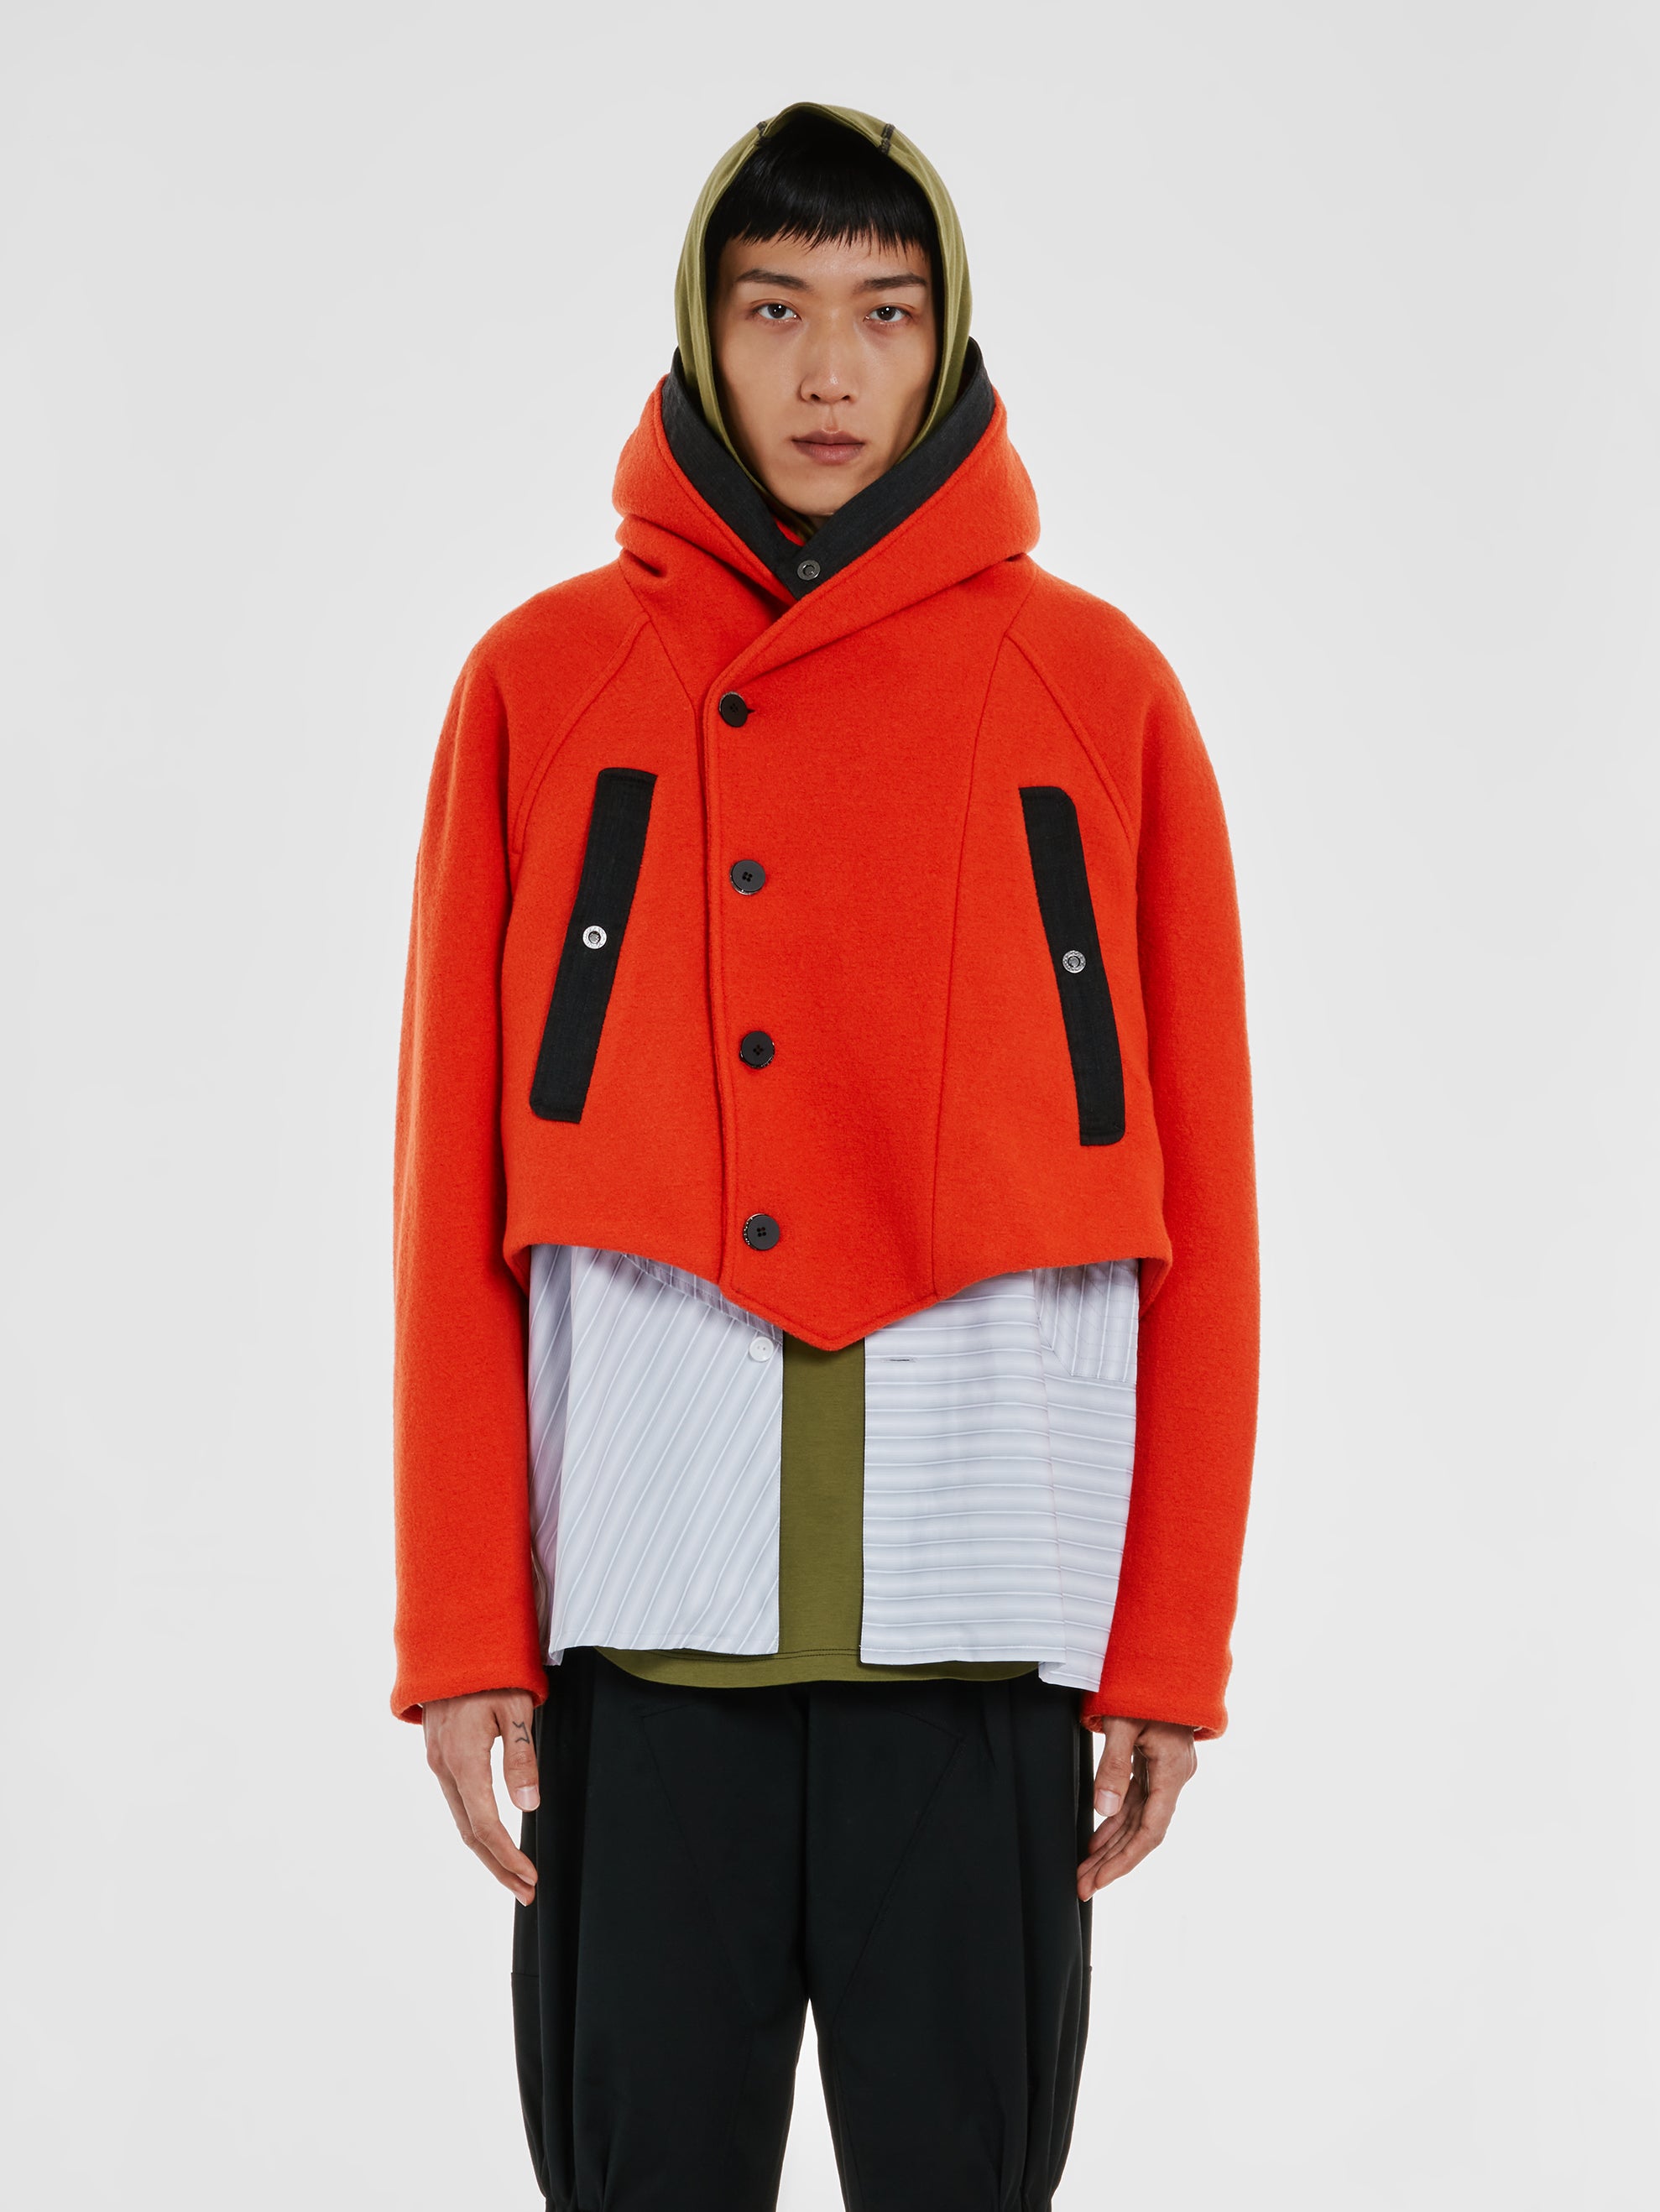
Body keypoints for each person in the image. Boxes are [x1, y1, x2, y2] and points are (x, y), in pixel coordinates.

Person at [393, 102, 1257, 2212]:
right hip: (640, 1631)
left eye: (882, 312)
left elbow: (1209, 1211)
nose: (826, 373)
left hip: (983, 1629)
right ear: (701, 332)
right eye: (772, 309)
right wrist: (462, 1621)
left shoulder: (1097, 693)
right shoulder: (540, 683)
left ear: (946, 342)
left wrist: (1166, 1641)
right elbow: (445, 1211)